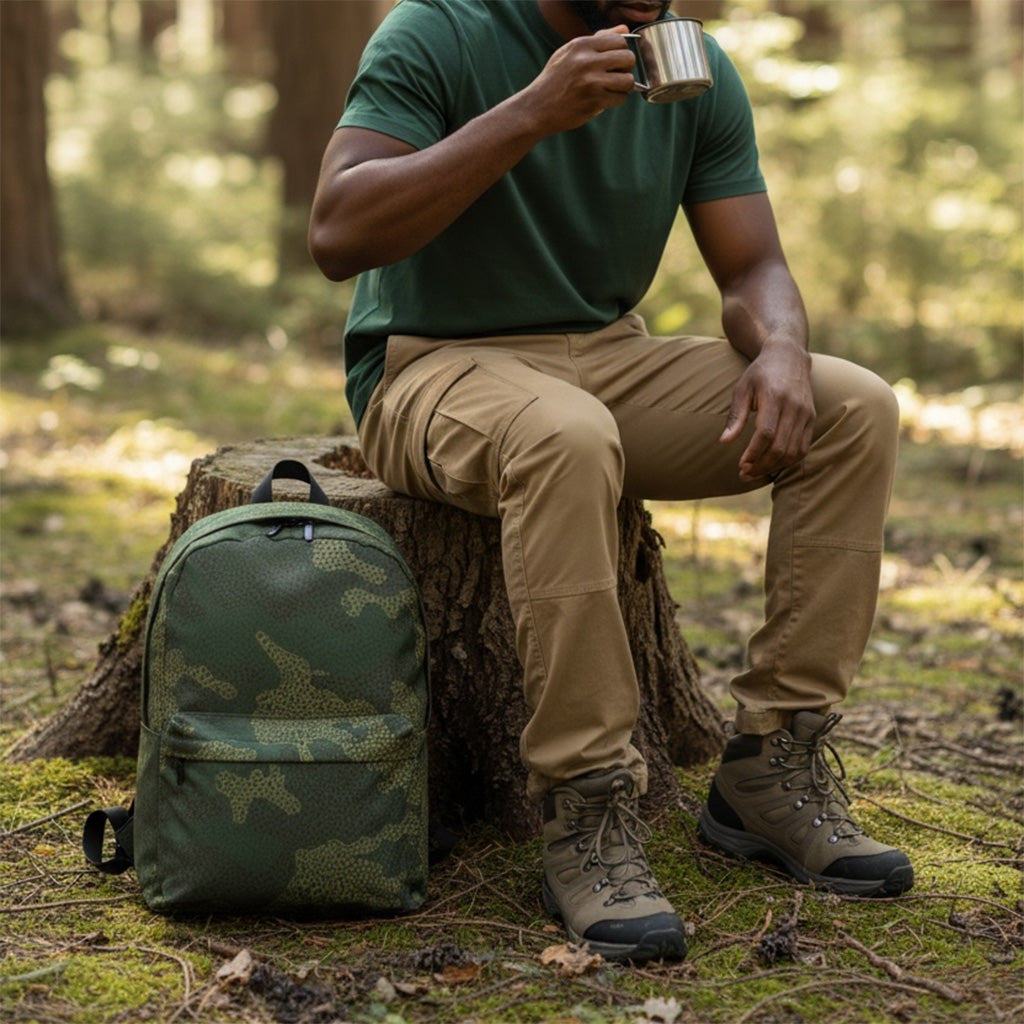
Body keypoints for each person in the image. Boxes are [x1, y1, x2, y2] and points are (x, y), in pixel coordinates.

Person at [309, 0, 914, 964]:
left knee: (857, 406)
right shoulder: (438, 29)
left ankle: (772, 763)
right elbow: (338, 234)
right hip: (428, 366)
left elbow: (753, 264)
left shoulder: (692, 63)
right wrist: (531, 112)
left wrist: (783, 348)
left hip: (607, 356)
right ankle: (586, 805)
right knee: (567, 436)